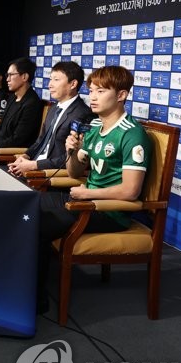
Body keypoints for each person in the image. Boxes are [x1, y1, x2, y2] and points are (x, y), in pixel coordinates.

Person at [36, 65, 151, 311]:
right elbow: (74, 172)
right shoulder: (95, 128)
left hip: (109, 212)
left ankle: (36, 299)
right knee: (29, 206)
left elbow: (130, 191)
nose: (94, 97)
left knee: (38, 224)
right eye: (92, 91)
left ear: (121, 95)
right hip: (83, 201)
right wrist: (72, 151)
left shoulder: (132, 134)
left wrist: (88, 193)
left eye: (101, 91)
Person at [8, 61, 93, 175]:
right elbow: (41, 140)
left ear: (73, 84)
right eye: (50, 79)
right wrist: (25, 155)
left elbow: (71, 158)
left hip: (47, 175)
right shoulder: (53, 108)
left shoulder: (83, 114)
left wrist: (33, 165)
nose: (50, 85)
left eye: (56, 80)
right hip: (34, 167)